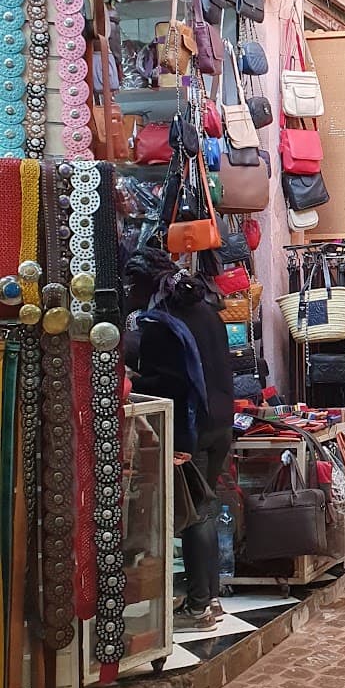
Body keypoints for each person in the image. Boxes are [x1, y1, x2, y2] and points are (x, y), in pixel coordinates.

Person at [123, 248, 235, 631]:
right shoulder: (205, 309)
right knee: (205, 508)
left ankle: (199, 607)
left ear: (145, 283)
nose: (129, 292)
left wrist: (136, 381)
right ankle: (212, 599)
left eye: (131, 285)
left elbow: (168, 383)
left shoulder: (161, 324)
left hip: (193, 428)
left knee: (195, 515)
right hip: (221, 422)